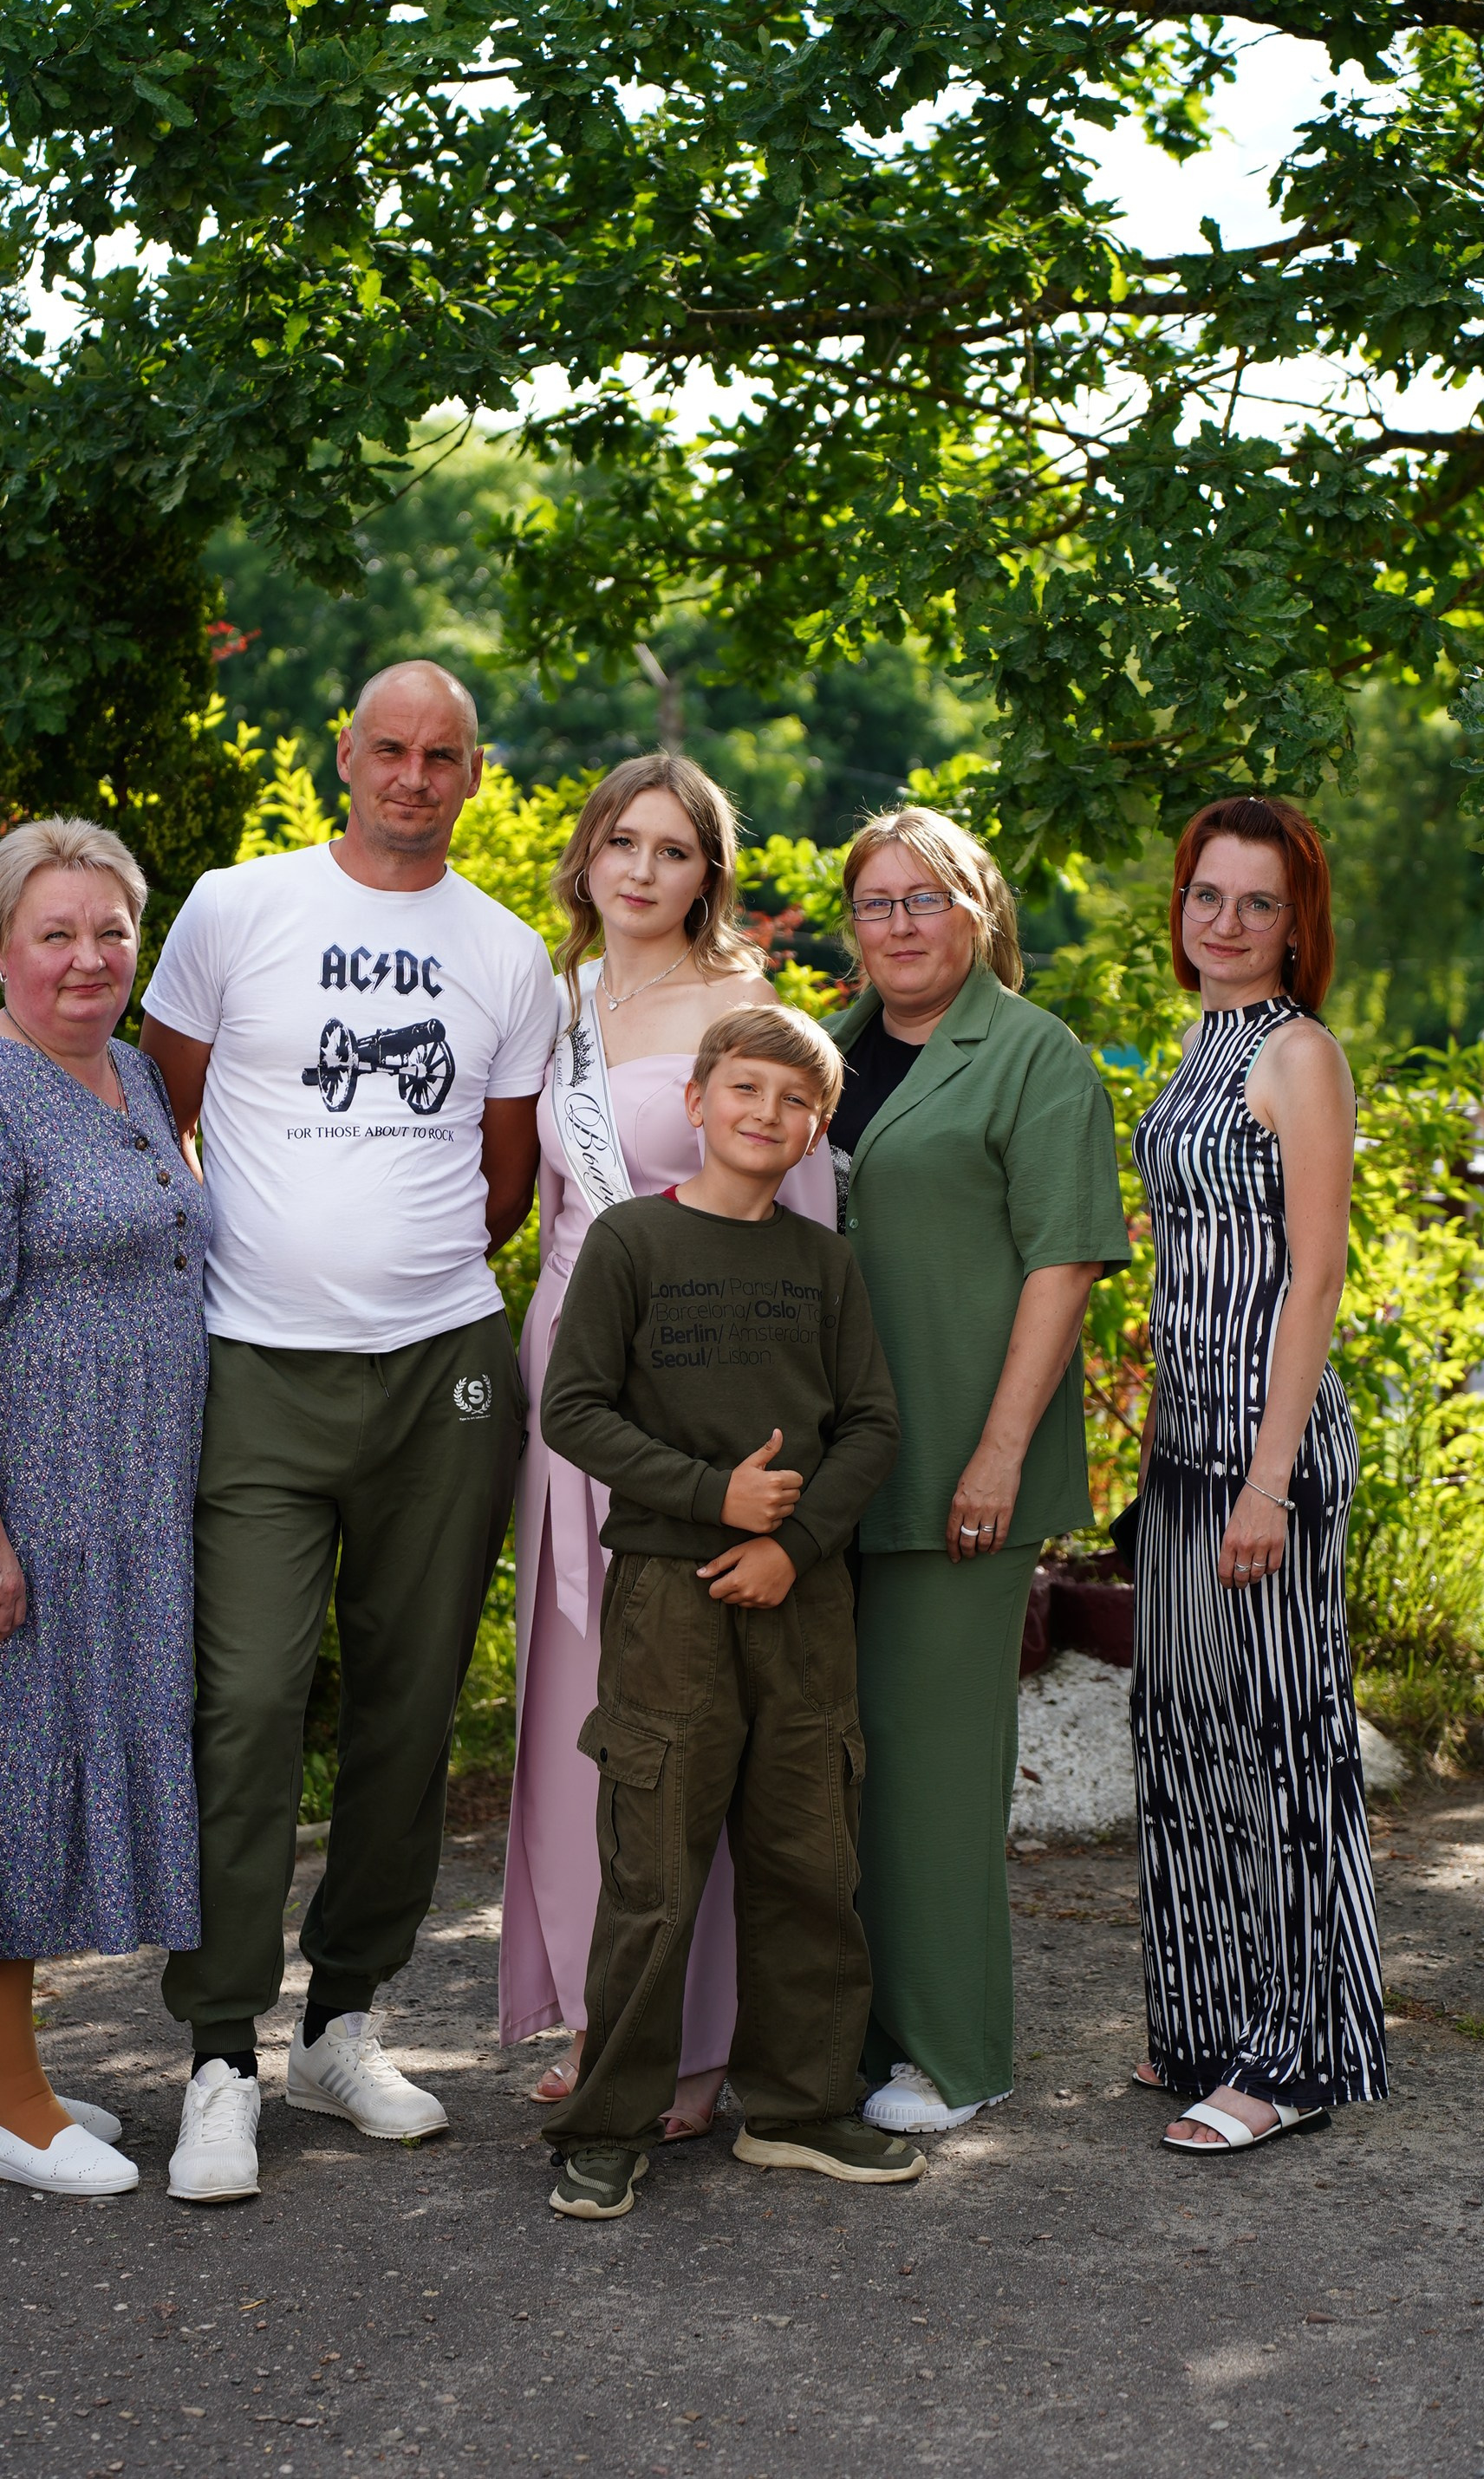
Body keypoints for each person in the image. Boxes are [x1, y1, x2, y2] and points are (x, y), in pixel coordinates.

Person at [140, 659, 556, 2202]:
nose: (412, 776)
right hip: (254, 1363)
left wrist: (404, 1270)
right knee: (245, 1702)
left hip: (440, 1368)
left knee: (408, 1702)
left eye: (443, 754)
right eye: (388, 747)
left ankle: (345, 2021)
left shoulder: (510, 956)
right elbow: (158, 1113)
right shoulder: (233, 910)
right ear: (345, 753)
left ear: (472, 773)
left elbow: (506, 1181)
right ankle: (218, 2053)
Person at [0, 817, 208, 2198]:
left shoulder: (124, 1069)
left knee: (40, 1752)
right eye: (55, 933)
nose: (86, 958)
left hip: (117, 1499)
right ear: (3, 944)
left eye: (111, 931)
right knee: (6, 1770)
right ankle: (15, 2103)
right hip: (17, 1502)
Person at [498, 755, 836, 2139]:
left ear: (710, 872)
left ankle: (697, 2048)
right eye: (620, 843)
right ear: (587, 857)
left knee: (686, 1713)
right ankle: (606, 2016)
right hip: (565, 1385)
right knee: (583, 1715)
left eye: (674, 849)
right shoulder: (555, 1002)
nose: (642, 870)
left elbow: (795, 1237)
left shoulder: (747, 1012)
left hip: (690, 1398)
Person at [537, 1005, 921, 2219]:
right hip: (670, 1602)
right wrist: (719, 1500)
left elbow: (872, 1427)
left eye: (794, 1102)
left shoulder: (823, 1263)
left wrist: (795, 1544)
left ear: (816, 1130)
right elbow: (576, 1412)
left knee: (811, 1858)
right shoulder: (632, 1242)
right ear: (699, 1100)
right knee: (652, 1873)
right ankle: (608, 2125)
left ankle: (799, 2110)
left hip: (799, 1606)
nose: (767, 1116)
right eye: (746, 1090)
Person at [830, 807, 1131, 2136]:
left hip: (959, 1458)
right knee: (837, 1767)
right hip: (832, 1471)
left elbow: (1063, 1263)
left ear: (978, 910)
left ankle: (956, 2055)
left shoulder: (1033, 1056)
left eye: (925, 899)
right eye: (876, 903)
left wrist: (1000, 1455)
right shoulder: (827, 1057)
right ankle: (856, 2033)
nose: (899, 923)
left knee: (934, 1767)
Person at [1130, 796, 1387, 2153]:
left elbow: (1316, 1278)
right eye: (1206, 895)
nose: (1224, 922)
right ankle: (1212, 2026)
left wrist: (1267, 1477)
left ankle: (1291, 2057)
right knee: (1186, 1742)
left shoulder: (1298, 1055)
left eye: (1256, 903)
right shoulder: (1200, 1043)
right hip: (1183, 1448)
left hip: (1261, 1455)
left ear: (1299, 929)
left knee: (1284, 1751)